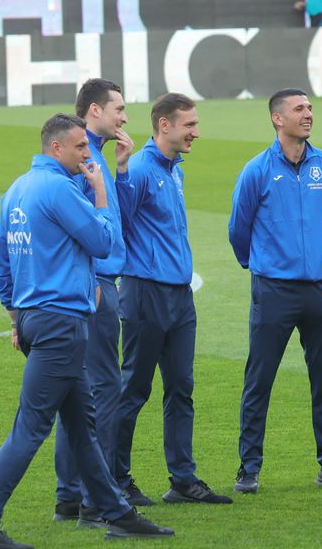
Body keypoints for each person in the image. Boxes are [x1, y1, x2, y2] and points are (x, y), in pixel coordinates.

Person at [0, 114, 172, 549]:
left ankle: (115, 513)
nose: (86, 155)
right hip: (61, 323)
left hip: (38, 319)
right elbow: (103, 242)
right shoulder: (59, 188)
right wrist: (99, 191)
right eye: (80, 147)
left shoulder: (17, 189)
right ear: (56, 148)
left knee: (82, 424)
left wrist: (16, 316)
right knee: (30, 429)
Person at [227, 88, 322, 495]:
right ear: (277, 119)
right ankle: (248, 468)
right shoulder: (256, 170)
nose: (308, 114)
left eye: (309, 108)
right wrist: (259, 264)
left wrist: (314, 255)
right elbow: (239, 228)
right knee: (260, 380)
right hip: (274, 290)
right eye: (299, 109)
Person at [112, 93, 234, 505]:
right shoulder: (144, 167)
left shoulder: (173, 169)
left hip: (179, 297)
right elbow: (120, 223)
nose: (196, 133)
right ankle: (117, 481)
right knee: (134, 390)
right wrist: (122, 169)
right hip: (145, 293)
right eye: (190, 125)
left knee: (181, 388)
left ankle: (183, 480)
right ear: (164, 125)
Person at [53, 80, 135, 522]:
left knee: (78, 393)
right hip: (98, 287)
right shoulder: (84, 157)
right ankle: (94, 500)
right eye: (118, 109)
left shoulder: (96, 155)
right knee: (104, 391)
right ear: (94, 111)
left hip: (97, 283)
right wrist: (96, 282)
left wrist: (121, 171)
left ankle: (70, 496)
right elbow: (83, 228)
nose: (124, 117)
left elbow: (109, 214)